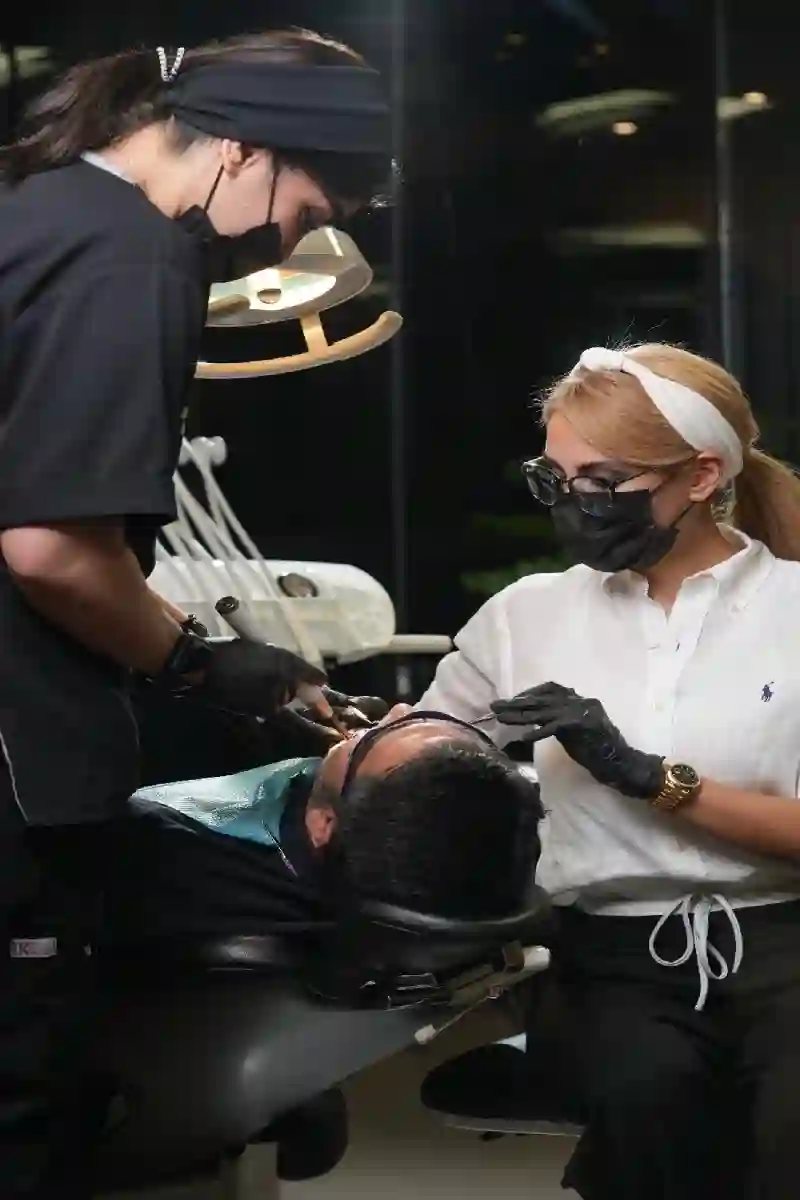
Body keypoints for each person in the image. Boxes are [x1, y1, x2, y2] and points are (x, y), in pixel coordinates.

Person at [0, 27, 392, 1198]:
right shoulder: (132, 256)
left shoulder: (33, 210)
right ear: (241, 150)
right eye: (307, 211)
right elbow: (52, 554)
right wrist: (199, 663)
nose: (288, 244)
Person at [418, 343, 800, 1200]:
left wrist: (645, 775)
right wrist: (322, 722)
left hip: (787, 943)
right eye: (554, 479)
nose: (574, 503)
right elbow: (420, 752)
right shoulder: (526, 618)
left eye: (602, 480)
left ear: (702, 476)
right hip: (612, 961)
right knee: (650, 1099)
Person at [105, 706, 544, 945]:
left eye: (371, 737)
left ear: (323, 824)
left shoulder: (170, 845)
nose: (398, 706)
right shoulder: (422, 839)